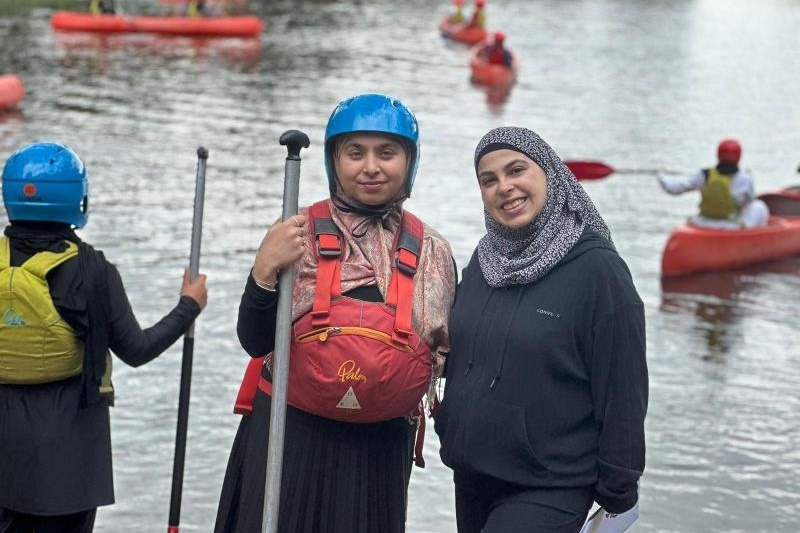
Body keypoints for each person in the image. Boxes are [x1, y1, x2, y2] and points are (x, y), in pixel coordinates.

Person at [214, 93, 457, 533]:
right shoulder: (296, 232)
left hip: (378, 445)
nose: (371, 167)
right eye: (355, 153)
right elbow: (254, 339)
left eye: (387, 153)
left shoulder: (433, 252)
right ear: (334, 161)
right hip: (290, 435)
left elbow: (447, 359)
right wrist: (264, 270)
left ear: (409, 162)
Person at [434, 127, 648, 533]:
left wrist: (619, 491)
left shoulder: (598, 271)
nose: (504, 187)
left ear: (550, 173)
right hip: (473, 475)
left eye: (517, 170)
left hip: (549, 484)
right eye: (489, 179)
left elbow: (624, 388)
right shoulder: (484, 261)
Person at [0, 142, 208, 532]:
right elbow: (137, 349)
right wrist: (188, 307)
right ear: (77, 199)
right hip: (69, 465)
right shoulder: (92, 271)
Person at [657, 138, 769, 229]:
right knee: (759, 206)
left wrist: (661, 177)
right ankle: (756, 238)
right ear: (739, 157)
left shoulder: (704, 174)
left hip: (702, 222)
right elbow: (749, 200)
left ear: (718, 155)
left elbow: (675, 188)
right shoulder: (745, 178)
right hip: (730, 226)